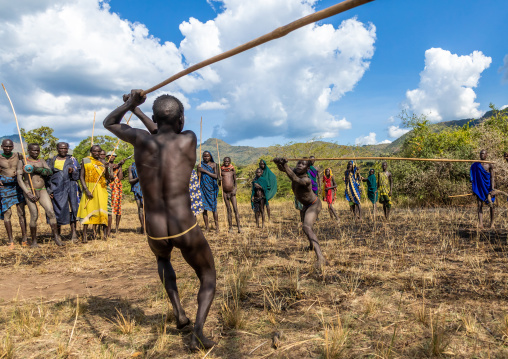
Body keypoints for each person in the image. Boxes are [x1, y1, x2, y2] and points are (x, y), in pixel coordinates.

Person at [103, 89, 216, 351]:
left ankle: (179, 313)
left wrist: (132, 106)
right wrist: (136, 108)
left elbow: (110, 123)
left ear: (154, 117)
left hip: (154, 228)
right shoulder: (188, 138)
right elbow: (163, 130)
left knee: (163, 259)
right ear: (182, 120)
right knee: (208, 276)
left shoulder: (141, 140)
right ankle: (197, 333)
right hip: (183, 224)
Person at [273, 157, 326, 266]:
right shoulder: (294, 171)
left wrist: (285, 165)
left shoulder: (306, 180)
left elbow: (295, 179)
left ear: (307, 169)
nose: (299, 165)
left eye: (302, 164)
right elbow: (282, 169)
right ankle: (311, 245)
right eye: (298, 163)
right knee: (307, 228)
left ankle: (321, 258)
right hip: (305, 205)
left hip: (314, 204)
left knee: (306, 227)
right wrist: (278, 163)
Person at [17, 144, 63, 247]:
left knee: (51, 212)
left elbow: (49, 172)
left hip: (42, 189)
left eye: (38, 150)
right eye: (33, 150)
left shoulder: (41, 161)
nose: (36, 152)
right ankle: (34, 241)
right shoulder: (22, 162)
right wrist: (28, 193)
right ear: (28, 150)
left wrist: (36, 169)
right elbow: (20, 179)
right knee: (34, 215)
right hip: (29, 189)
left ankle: (56, 238)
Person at [47, 142, 80, 243]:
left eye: (65, 148)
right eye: (61, 148)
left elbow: (78, 174)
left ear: (68, 149)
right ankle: (57, 235)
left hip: (71, 186)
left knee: (73, 209)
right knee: (58, 209)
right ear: (57, 149)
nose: (63, 150)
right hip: (57, 187)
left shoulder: (72, 160)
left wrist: (72, 172)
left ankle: (73, 233)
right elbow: (47, 176)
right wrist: (49, 190)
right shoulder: (51, 160)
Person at [77, 145, 110, 242]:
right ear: (91, 151)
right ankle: (84, 236)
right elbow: (81, 176)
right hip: (89, 188)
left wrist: (107, 168)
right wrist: (86, 190)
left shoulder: (103, 162)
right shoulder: (85, 160)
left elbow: (107, 177)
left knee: (102, 209)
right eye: (95, 151)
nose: (97, 153)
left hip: (101, 188)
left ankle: (104, 236)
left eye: (99, 151)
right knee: (87, 210)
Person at [0, 139, 27, 247]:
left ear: (13, 146)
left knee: (21, 212)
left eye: (10, 146)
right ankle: (10, 240)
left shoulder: (18, 155)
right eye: (6, 146)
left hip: (18, 186)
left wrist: (21, 170)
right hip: (5, 188)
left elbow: (26, 167)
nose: (8, 148)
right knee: (7, 214)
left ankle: (25, 238)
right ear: (2, 146)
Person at [470, 150, 495, 229]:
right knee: (480, 205)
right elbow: (473, 177)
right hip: (479, 187)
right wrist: (474, 189)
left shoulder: (489, 164)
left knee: (491, 205)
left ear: (486, 155)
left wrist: (493, 188)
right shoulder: (476, 165)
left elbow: (492, 177)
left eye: (483, 154)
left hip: (488, 187)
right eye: (481, 153)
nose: (482, 155)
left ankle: (492, 223)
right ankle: (481, 224)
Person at [198, 151, 219, 232]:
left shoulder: (214, 165)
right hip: (203, 189)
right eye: (204, 156)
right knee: (204, 209)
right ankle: (207, 228)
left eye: (208, 156)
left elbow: (216, 176)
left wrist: (204, 171)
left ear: (210, 157)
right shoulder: (200, 165)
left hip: (212, 189)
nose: (206, 158)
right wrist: (200, 171)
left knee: (214, 208)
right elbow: (198, 177)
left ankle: (217, 227)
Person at [106, 152, 126, 237]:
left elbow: (120, 177)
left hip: (117, 187)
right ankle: (107, 228)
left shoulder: (117, 165)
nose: (112, 157)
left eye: (114, 156)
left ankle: (117, 228)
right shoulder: (105, 164)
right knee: (108, 207)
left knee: (117, 207)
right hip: (108, 186)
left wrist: (120, 166)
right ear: (107, 156)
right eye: (111, 155)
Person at [221, 157, 241, 232]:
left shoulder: (233, 171)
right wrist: (219, 180)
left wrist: (235, 190)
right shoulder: (221, 171)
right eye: (225, 161)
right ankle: (230, 228)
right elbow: (220, 184)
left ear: (230, 161)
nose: (226, 162)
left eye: (228, 161)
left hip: (232, 192)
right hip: (225, 193)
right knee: (229, 210)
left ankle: (239, 227)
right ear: (223, 161)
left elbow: (235, 182)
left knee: (235, 209)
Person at [128, 161, 144, 234]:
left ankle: (149, 228)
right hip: (137, 189)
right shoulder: (131, 167)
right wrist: (138, 178)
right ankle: (143, 227)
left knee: (148, 208)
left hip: (147, 189)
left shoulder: (147, 165)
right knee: (140, 208)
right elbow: (130, 180)